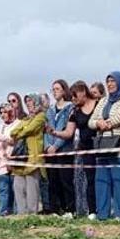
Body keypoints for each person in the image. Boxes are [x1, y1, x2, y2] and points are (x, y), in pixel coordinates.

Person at [50, 81, 98, 218]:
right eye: (71, 97)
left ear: (83, 91)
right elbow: (68, 133)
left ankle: (104, 209)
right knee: (89, 180)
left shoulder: (98, 104)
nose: (73, 99)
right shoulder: (75, 112)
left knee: (100, 180)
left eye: (75, 96)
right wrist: (54, 132)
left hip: (99, 146)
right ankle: (92, 211)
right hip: (85, 149)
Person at [89, 72, 120, 221]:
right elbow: (91, 120)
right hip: (103, 143)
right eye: (108, 81)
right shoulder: (103, 100)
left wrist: (104, 123)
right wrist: (98, 123)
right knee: (101, 180)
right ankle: (103, 214)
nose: (110, 84)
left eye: (113, 81)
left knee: (119, 178)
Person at [10, 94, 47, 215]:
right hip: (21, 158)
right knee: (18, 187)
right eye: (27, 102)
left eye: (31, 101)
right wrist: (23, 129)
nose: (29, 104)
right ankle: (21, 215)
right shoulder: (25, 119)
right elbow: (13, 132)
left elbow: (30, 129)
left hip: (33, 157)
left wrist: (22, 131)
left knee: (32, 190)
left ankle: (32, 215)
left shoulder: (41, 116)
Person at [44, 79, 76, 216]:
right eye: (53, 89)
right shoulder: (50, 110)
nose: (54, 92)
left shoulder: (70, 108)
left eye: (57, 89)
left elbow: (66, 130)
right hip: (50, 152)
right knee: (53, 181)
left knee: (66, 181)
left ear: (64, 90)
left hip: (64, 150)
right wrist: (47, 147)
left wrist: (56, 146)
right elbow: (46, 130)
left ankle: (69, 208)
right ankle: (55, 209)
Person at [0, 103, 19, 216]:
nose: (2, 115)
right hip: (2, 162)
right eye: (1, 112)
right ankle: (2, 213)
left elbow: (13, 141)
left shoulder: (18, 124)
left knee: (14, 190)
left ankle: (14, 213)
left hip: (13, 160)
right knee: (3, 190)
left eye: (5, 112)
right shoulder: (0, 126)